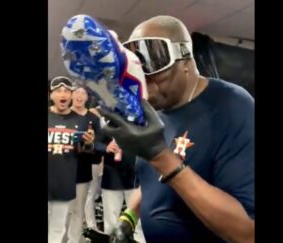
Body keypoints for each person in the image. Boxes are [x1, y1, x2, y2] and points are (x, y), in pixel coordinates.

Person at [99, 16, 255, 243]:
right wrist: (129, 217)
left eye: (155, 66)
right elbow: (152, 178)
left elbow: (247, 232)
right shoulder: (156, 109)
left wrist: (161, 156)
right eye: (138, 71)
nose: (146, 83)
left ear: (186, 61)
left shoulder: (232, 106)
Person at [48, 76, 95, 243]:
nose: (63, 94)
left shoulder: (80, 121)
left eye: (67, 91)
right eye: (58, 91)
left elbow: (86, 154)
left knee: (56, 230)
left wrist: (89, 144)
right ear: (51, 95)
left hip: (63, 184)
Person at [66, 83, 104, 243]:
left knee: (78, 209)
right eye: (76, 92)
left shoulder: (93, 119)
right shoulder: (61, 115)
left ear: (87, 97)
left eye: (83, 93)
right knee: (62, 209)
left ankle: (74, 239)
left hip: (82, 170)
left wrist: (93, 143)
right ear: (71, 95)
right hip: (61, 170)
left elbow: (101, 145)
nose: (79, 96)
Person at [101, 138, 146, 243]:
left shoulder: (140, 124)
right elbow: (95, 144)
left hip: (134, 178)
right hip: (111, 179)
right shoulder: (109, 126)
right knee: (110, 223)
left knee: (138, 225)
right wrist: (105, 148)